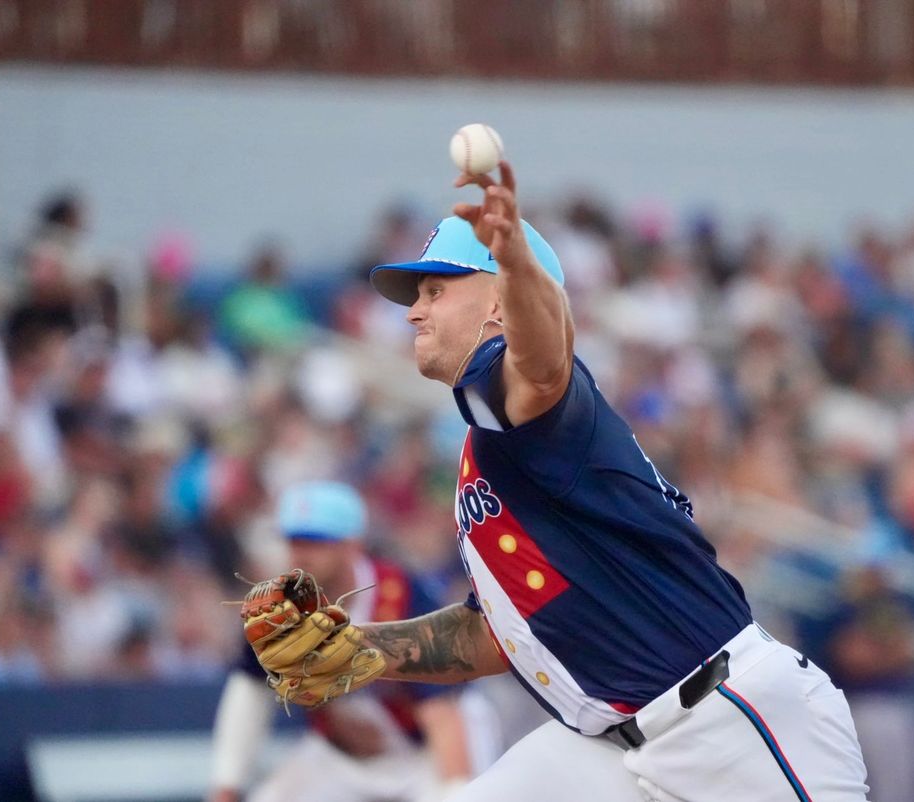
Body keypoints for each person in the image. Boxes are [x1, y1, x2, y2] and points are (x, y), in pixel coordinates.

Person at [343, 161, 871, 801]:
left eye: (435, 291)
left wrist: (516, 267)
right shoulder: (491, 444)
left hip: (729, 722)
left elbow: (542, 367)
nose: (413, 314)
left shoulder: (546, 412)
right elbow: (495, 633)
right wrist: (356, 650)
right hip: (608, 748)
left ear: (502, 304)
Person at [208, 481, 471, 802]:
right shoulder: (275, 608)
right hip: (340, 759)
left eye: (317, 542)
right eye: (294, 541)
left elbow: (443, 713)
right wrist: (227, 784)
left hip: (424, 752)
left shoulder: (403, 595)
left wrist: (458, 787)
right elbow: (249, 690)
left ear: (352, 545)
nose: (301, 554)